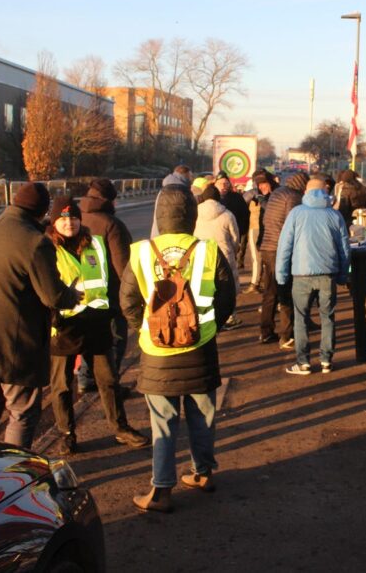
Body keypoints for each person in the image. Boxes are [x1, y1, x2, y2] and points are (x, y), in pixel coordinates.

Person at [120, 184, 237, 513]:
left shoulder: (142, 252)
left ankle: (160, 491)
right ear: (191, 213)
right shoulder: (207, 250)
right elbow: (227, 299)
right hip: (200, 349)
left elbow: (127, 301)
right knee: (203, 417)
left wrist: (146, 330)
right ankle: (202, 473)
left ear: (159, 213)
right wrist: (206, 328)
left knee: (163, 422)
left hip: (157, 354)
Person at [0, 182, 81, 449]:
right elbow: (53, 296)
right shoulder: (35, 242)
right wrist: (73, 295)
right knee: (22, 410)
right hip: (13, 343)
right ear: (42, 211)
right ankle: (13, 476)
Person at [44, 196, 149, 453]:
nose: (69, 222)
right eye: (63, 218)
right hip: (64, 326)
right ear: (54, 221)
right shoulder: (46, 248)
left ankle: (120, 428)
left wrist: (114, 309)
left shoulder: (96, 244)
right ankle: (67, 434)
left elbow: (111, 278)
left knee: (109, 379)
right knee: (61, 386)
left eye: (73, 217)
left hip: (97, 321)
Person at [275, 178, 350, 375]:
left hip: (301, 274)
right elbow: (344, 249)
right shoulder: (335, 215)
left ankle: (303, 362)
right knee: (328, 317)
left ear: (306, 192)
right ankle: (326, 360)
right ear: (326, 192)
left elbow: (285, 247)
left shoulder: (296, 214)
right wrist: (343, 274)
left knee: (300, 318)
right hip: (328, 273)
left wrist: (281, 275)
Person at [76, 178, 132, 394]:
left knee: (89, 336)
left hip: (81, 291)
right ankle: (111, 384)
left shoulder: (75, 218)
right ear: (110, 200)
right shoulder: (111, 224)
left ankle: (84, 378)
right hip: (110, 292)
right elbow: (123, 265)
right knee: (115, 338)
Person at [258, 171, 309, 347]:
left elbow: (266, 219)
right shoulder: (294, 197)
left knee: (270, 292)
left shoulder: (277, 193)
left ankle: (266, 331)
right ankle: (287, 335)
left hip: (267, 246)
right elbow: (292, 223)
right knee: (286, 290)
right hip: (281, 249)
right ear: (302, 186)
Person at [193, 183, 242, 326]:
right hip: (224, 254)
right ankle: (230, 317)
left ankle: (205, 317)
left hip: (201, 254)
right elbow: (235, 238)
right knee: (227, 288)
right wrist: (234, 250)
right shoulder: (227, 214)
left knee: (205, 286)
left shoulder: (195, 213)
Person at [243, 170, 274, 293]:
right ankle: (261, 282)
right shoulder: (255, 194)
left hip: (256, 227)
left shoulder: (255, 194)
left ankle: (255, 283)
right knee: (262, 258)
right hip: (262, 227)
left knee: (257, 258)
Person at [216, 173, 250, 271]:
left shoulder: (237, 198)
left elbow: (245, 215)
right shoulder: (211, 197)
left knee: (229, 265)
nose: (223, 186)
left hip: (232, 236)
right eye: (220, 183)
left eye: (226, 183)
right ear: (215, 184)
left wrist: (240, 233)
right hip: (214, 236)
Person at [150, 165, 192, 238]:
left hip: (158, 234)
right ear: (185, 175)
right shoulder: (180, 191)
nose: (192, 179)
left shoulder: (164, 190)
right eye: (191, 176)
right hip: (172, 237)